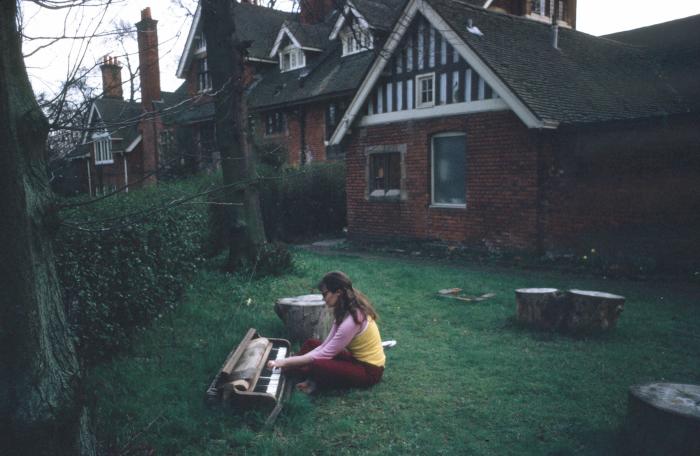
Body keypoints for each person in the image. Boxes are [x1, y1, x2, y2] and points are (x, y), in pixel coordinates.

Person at [267, 271, 386, 393]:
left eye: (325, 294)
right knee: (311, 343)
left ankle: (296, 373)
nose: (323, 298)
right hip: (355, 360)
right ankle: (292, 371)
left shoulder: (353, 319)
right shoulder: (343, 310)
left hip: (370, 371)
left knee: (317, 364)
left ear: (339, 292)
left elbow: (325, 354)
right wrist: (290, 362)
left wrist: (286, 362)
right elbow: (324, 346)